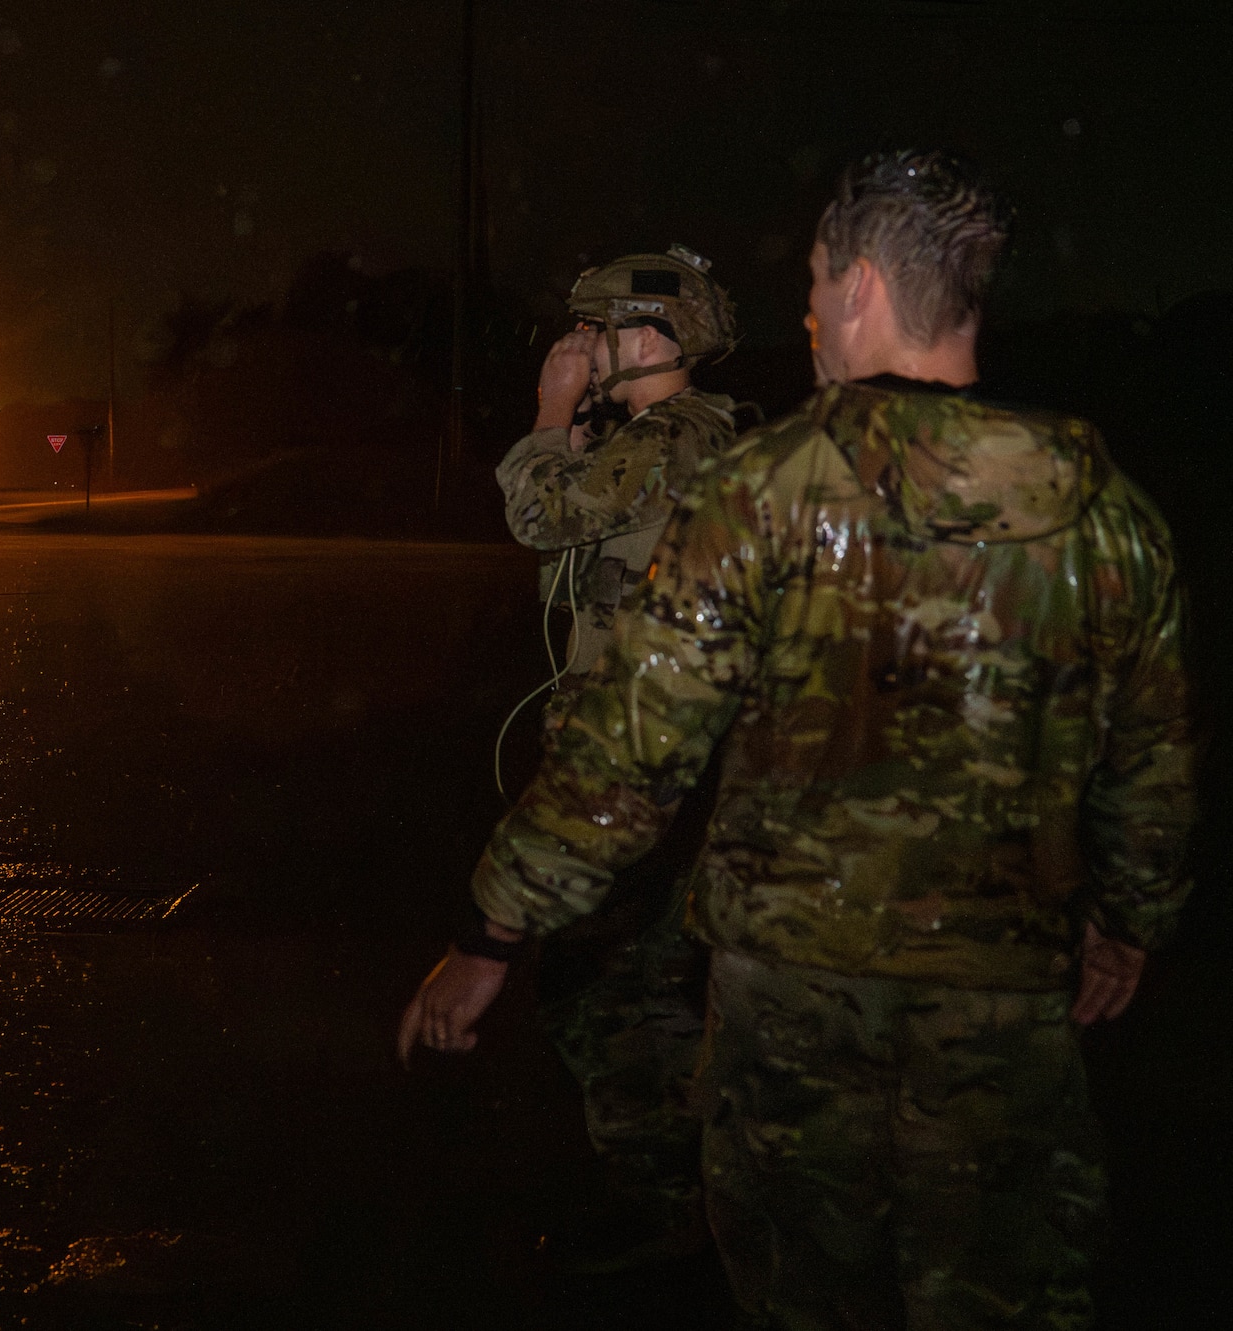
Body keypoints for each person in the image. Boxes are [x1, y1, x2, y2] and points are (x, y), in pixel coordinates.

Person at [399, 149, 1195, 1329]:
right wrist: (1128, 920)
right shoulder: (1105, 509)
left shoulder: (761, 492)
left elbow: (630, 755)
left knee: (808, 1285)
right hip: (1003, 1002)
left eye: (819, 283)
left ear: (863, 286)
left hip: (791, 1011)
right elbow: (1150, 760)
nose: (809, 311)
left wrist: (491, 931)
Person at [491, 246, 741, 1268]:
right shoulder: (663, 440)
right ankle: (679, 1192)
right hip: (653, 747)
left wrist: (551, 414)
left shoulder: (679, 440)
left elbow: (536, 515)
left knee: (601, 983)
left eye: (595, 330)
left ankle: (659, 1204)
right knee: (644, 977)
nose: (577, 347)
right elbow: (571, 553)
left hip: (647, 757)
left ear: (648, 336)